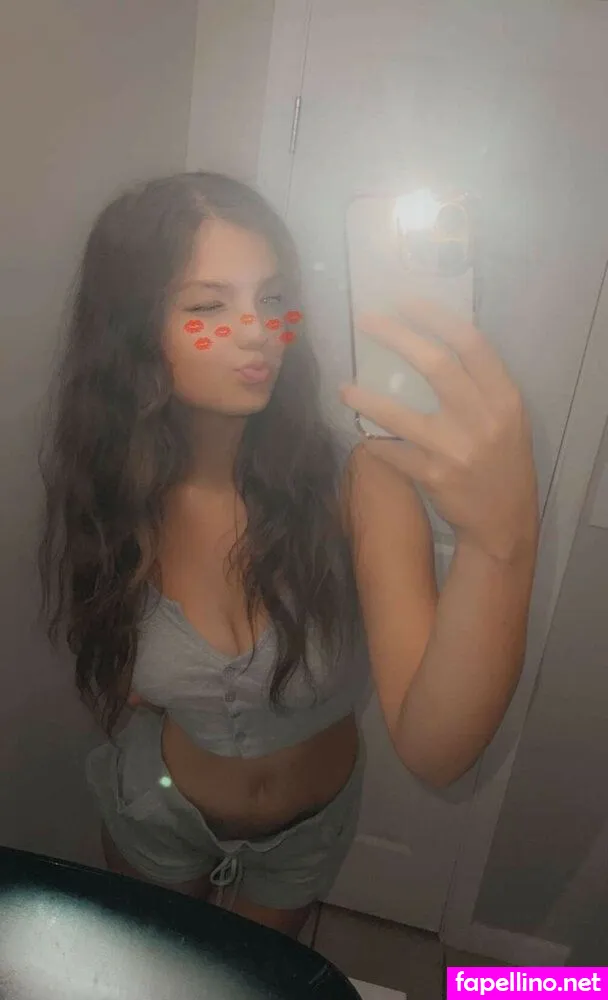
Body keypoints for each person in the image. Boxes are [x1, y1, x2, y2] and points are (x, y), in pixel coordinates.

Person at [39, 172, 538, 939]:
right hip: (158, 808)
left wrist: (499, 543)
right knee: (153, 972)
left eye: (273, 298)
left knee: (251, 984)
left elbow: (437, 752)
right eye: (209, 306)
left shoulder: (361, 481)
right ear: (132, 329)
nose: (259, 331)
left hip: (304, 833)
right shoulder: (111, 489)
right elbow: (109, 654)